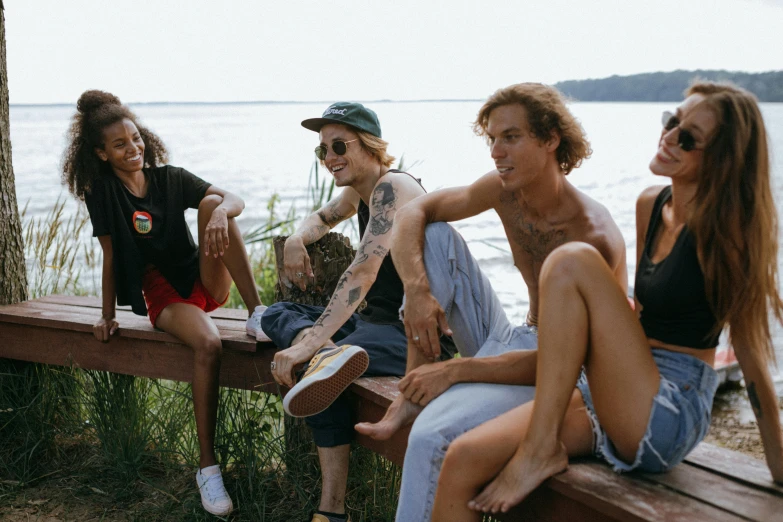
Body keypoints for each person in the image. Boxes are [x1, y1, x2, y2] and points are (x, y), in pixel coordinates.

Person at [430, 82, 783, 520]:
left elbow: (749, 356)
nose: (669, 137)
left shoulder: (726, 236)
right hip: (615, 390)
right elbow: (633, 319)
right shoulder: (652, 204)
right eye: (672, 121)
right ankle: (540, 447)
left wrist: (779, 466)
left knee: (571, 259)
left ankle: (540, 449)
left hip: (668, 409)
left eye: (689, 137)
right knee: (463, 457)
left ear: (722, 158)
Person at [355, 82, 627, 521]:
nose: (496, 151)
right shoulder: (505, 190)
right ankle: (409, 392)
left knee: (431, 437)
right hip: (514, 335)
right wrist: (417, 290)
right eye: (493, 139)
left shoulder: (591, 236)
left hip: (560, 374)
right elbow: (411, 215)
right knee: (434, 233)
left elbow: (567, 365)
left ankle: (422, 399)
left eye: (512, 137)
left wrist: (456, 369)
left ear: (551, 138)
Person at [62, 90, 268, 517]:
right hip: (164, 295)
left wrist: (215, 214)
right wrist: (106, 317)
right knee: (209, 344)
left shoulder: (170, 178)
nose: (133, 149)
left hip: (202, 276)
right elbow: (111, 257)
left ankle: (258, 312)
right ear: (101, 153)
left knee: (215, 204)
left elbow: (234, 199)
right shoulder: (104, 195)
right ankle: (207, 469)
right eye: (119, 145)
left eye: (135, 138)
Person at [259, 102, 454, 522]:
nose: (330, 158)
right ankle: (329, 354)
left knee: (322, 365)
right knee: (275, 314)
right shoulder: (361, 191)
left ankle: (331, 513)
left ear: (369, 146)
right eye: (323, 151)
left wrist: (309, 343)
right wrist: (296, 239)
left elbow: (361, 272)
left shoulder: (394, 188)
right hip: (375, 327)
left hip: (417, 336)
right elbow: (324, 216)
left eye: (339, 146)